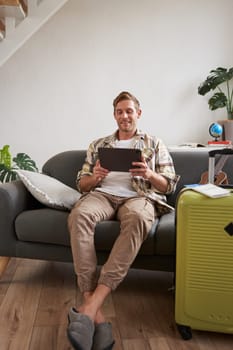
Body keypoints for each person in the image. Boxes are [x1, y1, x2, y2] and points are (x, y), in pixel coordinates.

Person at [67, 91, 179, 350]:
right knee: (80, 214)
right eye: (120, 111)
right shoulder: (98, 144)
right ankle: (92, 307)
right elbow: (82, 185)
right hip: (103, 195)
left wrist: (149, 174)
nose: (125, 116)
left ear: (138, 113)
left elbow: (168, 186)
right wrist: (95, 176)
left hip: (139, 197)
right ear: (114, 115)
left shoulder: (154, 143)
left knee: (139, 218)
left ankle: (89, 307)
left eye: (129, 111)